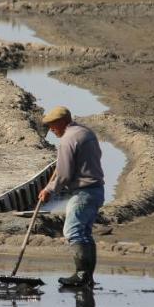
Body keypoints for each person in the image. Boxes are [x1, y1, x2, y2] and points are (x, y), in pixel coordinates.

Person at [36, 105, 105, 289]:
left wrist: (49, 190)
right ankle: (87, 277)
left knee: (73, 232)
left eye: (53, 125)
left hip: (84, 192)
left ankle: (82, 276)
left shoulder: (68, 140)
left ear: (63, 122)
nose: (51, 129)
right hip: (96, 190)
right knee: (84, 234)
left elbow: (64, 174)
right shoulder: (85, 132)